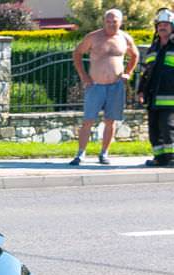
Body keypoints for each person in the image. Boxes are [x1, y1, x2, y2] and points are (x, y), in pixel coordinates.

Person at [69, 9, 139, 165]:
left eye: (114, 21)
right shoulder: (93, 37)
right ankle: (80, 154)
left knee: (110, 121)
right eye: (108, 21)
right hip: (95, 86)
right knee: (88, 120)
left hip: (116, 86)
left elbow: (135, 55)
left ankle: (104, 153)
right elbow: (77, 53)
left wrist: (128, 72)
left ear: (120, 22)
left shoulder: (124, 38)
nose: (111, 24)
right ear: (104, 22)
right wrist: (83, 76)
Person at [138, 9, 174, 166]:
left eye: (166, 24)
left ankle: (172, 157)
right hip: (152, 97)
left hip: (171, 97)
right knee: (154, 130)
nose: (162, 27)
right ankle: (160, 158)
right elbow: (145, 72)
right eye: (160, 24)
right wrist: (140, 90)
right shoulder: (153, 48)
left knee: (168, 128)